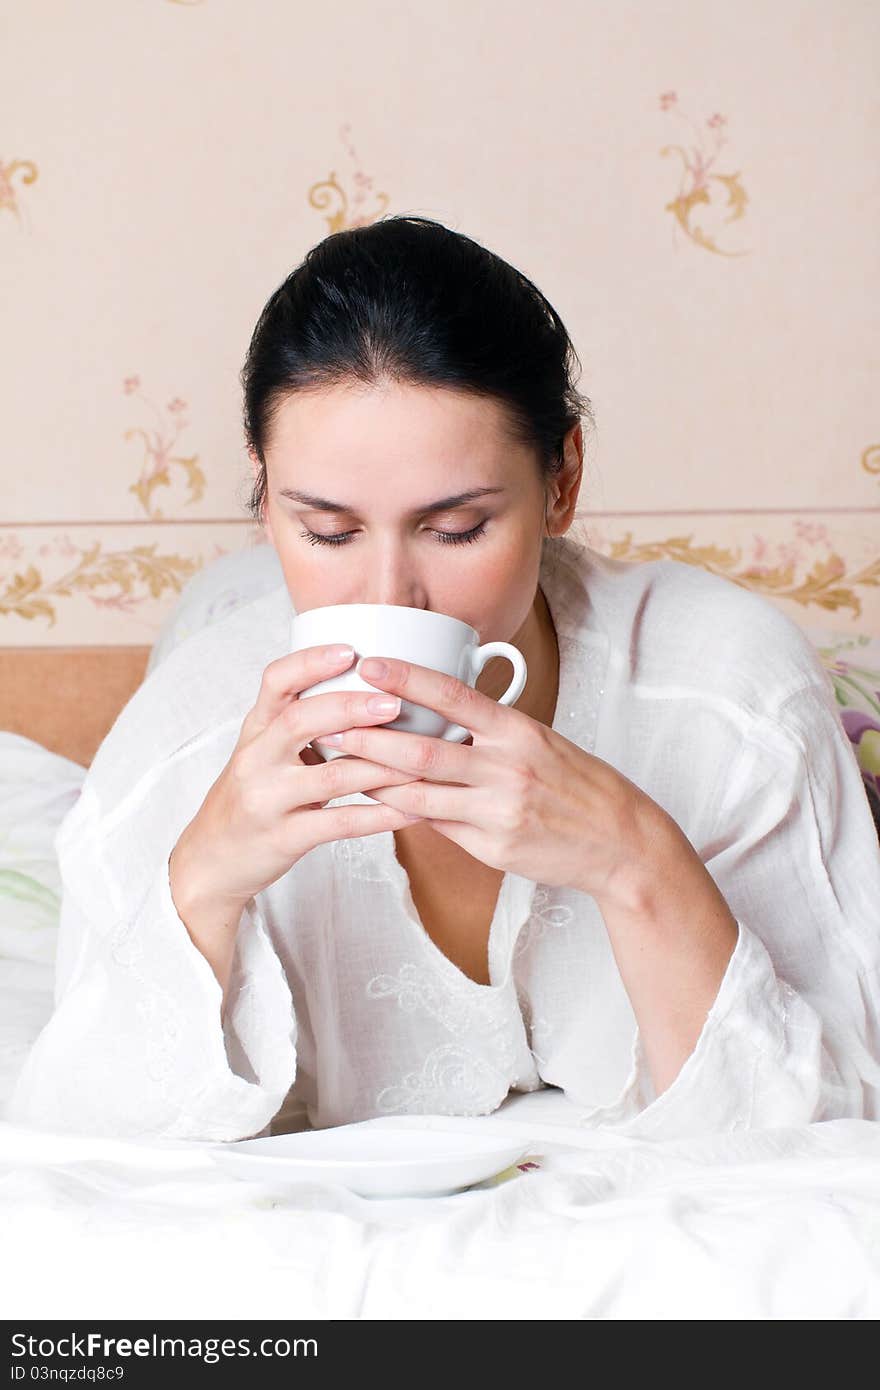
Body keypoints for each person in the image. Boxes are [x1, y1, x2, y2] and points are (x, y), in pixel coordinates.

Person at [7, 216, 880, 1141]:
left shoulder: (727, 695)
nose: (392, 593)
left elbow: (837, 1132)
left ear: (562, 480)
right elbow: (71, 1151)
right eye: (328, 532)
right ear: (264, 495)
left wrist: (638, 860)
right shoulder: (184, 733)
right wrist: (206, 879)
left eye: (456, 528)